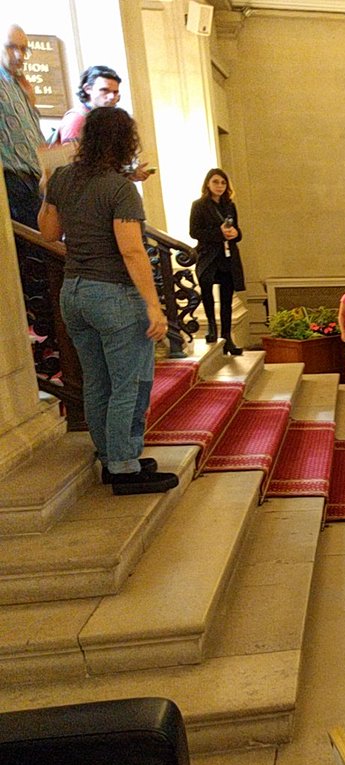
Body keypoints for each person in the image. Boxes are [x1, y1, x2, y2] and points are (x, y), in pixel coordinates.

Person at [38, 107, 178, 496]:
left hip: (75, 294)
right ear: (123, 143)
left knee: (97, 381)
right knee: (129, 383)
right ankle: (123, 466)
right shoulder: (119, 189)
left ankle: (112, 454)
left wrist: (45, 190)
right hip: (114, 294)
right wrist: (154, 305)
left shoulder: (63, 177)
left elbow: (48, 233)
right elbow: (132, 251)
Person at [189, 167, 245, 355]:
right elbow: (194, 232)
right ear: (207, 183)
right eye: (215, 182)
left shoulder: (230, 205)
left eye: (223, 182)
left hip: (227, 256)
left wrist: (235, 234)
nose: (220, 186)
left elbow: (237, 231)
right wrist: (218, 234)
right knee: (206, 290)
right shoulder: (199, 205)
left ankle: (227, 336)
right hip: (208, 255)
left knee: (227, 297)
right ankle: (212, 328)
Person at [1, 24, 43, 227]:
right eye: (11, 47)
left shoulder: (19, 84)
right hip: (12, 179)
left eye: (24, 49)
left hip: (33, 180)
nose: (19, 55)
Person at [56, 65, 122, 143]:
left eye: (115, 92)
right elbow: (70, 154)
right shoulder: (77, 118)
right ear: (87, 89)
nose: (111, 96)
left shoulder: (108, 116)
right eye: (105, 90)